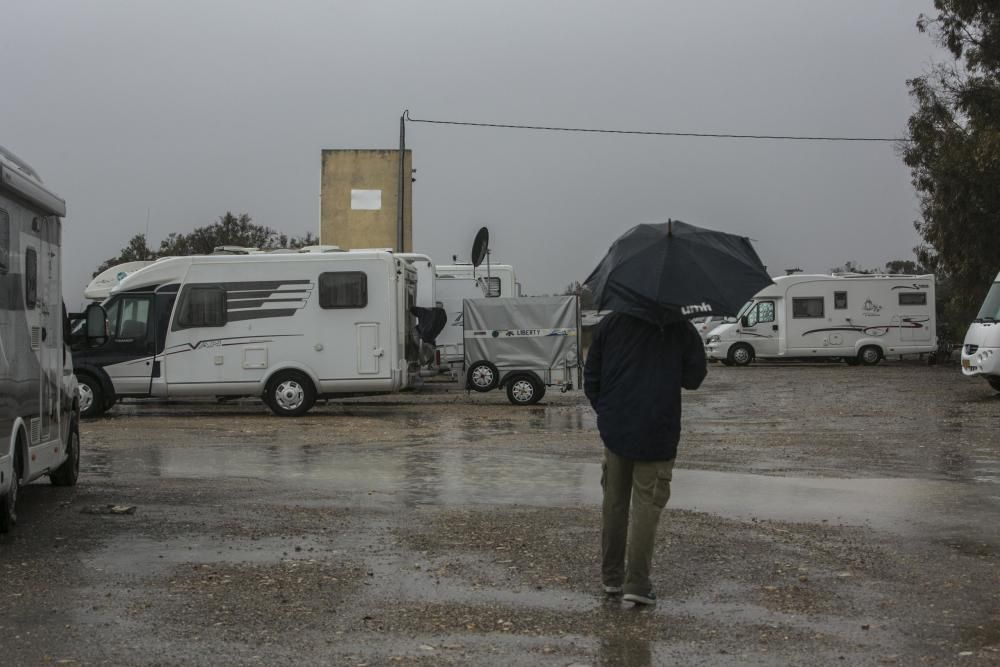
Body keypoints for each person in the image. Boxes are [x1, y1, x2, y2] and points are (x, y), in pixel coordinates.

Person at [584, 312, 707, 605]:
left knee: (614, 504)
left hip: (616, 430)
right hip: (657, 430)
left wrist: (607, 412)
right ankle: (637, 583)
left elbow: (591, 376)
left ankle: (611, 577)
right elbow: (694, 378)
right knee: (646, 508)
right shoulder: (679, 326)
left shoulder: (610, 323)